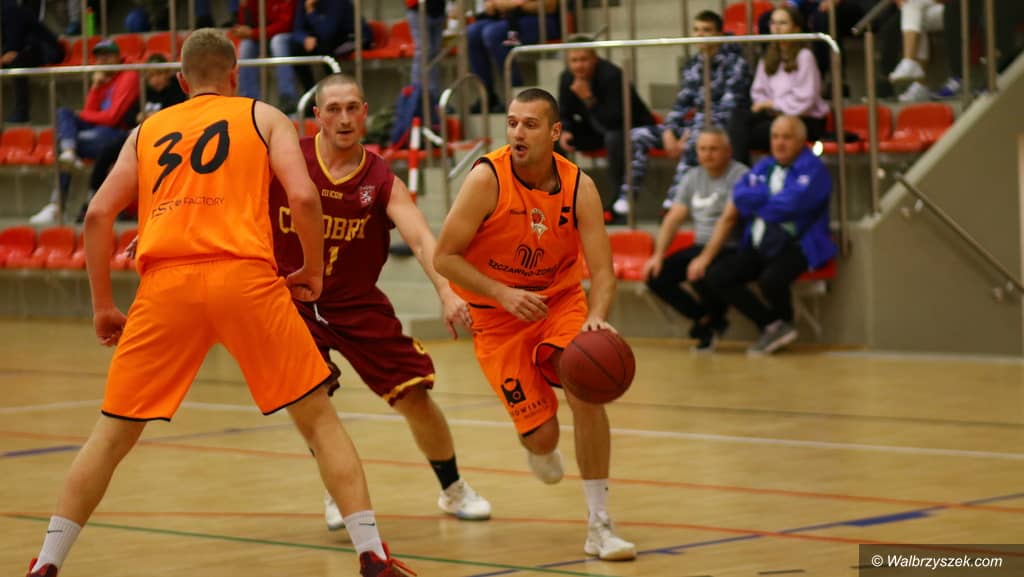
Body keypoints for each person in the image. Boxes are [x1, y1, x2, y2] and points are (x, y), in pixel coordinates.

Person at [23, 29, 413, 577]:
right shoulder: (264, 116)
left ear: (181, 82)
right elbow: (304, 197)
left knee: (110, 436)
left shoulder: (146, 129)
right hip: (245, 280)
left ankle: (46, 562)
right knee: (320, 422)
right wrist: (312, 270)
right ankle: (372, 553)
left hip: (166, 286)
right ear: (235, 75)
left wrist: (103, 307)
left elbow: (96, 216)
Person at [269, 73, 492, 529]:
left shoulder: (380, 178)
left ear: (365, 112)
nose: (344, 118)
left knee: (415, 395)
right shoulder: (286, 160)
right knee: (311, 400)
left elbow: (421, 238)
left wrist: (446, 291)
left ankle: (452, 488)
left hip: (355, 304)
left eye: (352, 108)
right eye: (334, 109)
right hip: (291, 302)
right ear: (317, 116)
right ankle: (338, 486)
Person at [434, 88, 637, 561]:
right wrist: (502, 293)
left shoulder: (579, 187)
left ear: (555, 132)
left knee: (587, 391)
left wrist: (597, 319)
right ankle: (538, 443)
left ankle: (600, 525)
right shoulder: (487, 178)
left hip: (558, 303)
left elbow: (603, 273)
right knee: (543, 438)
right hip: (497, 319)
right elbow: (445, 257)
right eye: (512, 123)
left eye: (529, 124)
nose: (517, 132)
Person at [706, 115, 836, 355]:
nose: (779, 143)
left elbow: (792, 205)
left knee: (771, 279)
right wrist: (771, 199)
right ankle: (771, 324)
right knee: (718, 275)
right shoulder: (765, 165)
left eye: (786, 137)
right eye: (775, 137)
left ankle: (784, 319)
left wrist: (759, 200)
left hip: (798, 244)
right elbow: (740, 196)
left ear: (801, 141)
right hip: (759, 242)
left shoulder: (815, 169)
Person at [614, 10, 751, 216]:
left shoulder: (736, 64)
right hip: (694, 125)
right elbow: (682, 103)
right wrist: (669, 131)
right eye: (696, 30)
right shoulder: (693, 64)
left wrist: (687, 135)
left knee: (696, 138)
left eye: (706, 30)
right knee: (637, 136)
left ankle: (674, 202)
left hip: (721, 127)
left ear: (719, 34)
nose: (700, 35)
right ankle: (628, 196)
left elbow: (727, 108)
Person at [641, 127, 747, 352]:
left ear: (727, 151)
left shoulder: (740, 174)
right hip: (702, 244)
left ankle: (712, 322)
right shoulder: (692, 176)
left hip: (732, 246)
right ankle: (706, 318)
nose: (708, 154)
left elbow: (728, 221)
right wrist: (657, 256)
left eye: (713, 149)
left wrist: (704, 258)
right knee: (656, 275)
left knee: (702, 272)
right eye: (703, 149)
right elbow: (674, 218)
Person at [29, 39, 139, 225]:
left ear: (118, 57)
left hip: (114, 135)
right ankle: (69, 151)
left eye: (108, 56)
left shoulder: (129, 75)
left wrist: (82, 114)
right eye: (99, 57)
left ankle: (56, 205)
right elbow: (90, 111)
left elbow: (112, 117)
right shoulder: (102, 79)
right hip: (95, 131)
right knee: (63, 113)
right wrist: (95, 88)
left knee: (62, 142)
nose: (103, 61)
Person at [74, 52, 188, 223]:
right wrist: (138, 116)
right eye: (152, 76)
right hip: (139, 133)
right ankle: (92, 196)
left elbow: (179, 115)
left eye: (160, 74)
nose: (156, 79)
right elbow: (129, 116)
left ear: (167, 75)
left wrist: (157, 117)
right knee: (107, 151)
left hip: (165, 137)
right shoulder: (144, 91)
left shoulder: (176, 91)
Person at [557, 34, 656, 218]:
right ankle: (559, 200)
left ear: (595, 58)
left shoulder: (612, 75)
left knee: (614, 138)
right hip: (595, 129)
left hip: (630, 128)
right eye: (574, 61)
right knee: (553, 138)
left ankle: (618, 205)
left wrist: (588, 98)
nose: (579, 65)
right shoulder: (567, 77)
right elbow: (563, 112)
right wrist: (567, 130)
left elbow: (615, 119)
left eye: (584, 60)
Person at [729, 5, 828, 165]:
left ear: (796, 29)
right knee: (738, 120)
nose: (776, 28)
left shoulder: (805, 56)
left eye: (783, 23)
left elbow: (805, 99)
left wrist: (771, 104)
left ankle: (740, 173)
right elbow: (758, 92)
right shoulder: (767, 56)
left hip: (804, 120)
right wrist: (768, 105)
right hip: (776, 116)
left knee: (742, 134)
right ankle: (741, 172)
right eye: (773, 23)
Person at [466, 0, 560, 113]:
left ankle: (515, 95)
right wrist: (493, 6)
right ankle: (486, 95)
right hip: (507, 20)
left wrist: (515, 5)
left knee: (493, 33)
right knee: (472, 33)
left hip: (541, 19)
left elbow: (550, 6)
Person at [1, 0, 64, 123]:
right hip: (24, 49)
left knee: (17, 63)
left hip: (45, 49)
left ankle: (21, 112)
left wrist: (4, 57)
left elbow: (13, 48)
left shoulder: (10, 9)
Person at [231, 0, 297, 109]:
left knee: (278, 42)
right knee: (247, 45)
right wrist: (245, 6)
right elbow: (246, 25)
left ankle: (288, 97)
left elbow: (285, 25)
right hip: (262, 36)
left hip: (289, 36)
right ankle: (249, 100)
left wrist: (253, 33)